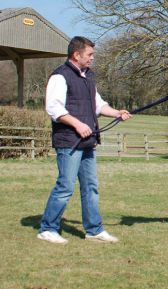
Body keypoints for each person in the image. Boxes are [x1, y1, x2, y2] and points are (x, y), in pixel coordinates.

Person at [38, 36, 132, 244]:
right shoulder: (60, 76)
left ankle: (94, 229)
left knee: (91, 187)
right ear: (76, 54)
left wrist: (117, 113)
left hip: (88, 142)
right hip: (69, 142)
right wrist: (77, 124)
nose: (92, 58)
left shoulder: (88, 77)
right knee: (65, 186)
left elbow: (98, 105)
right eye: (89, 55)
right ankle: (48, 228)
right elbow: (54, 108)